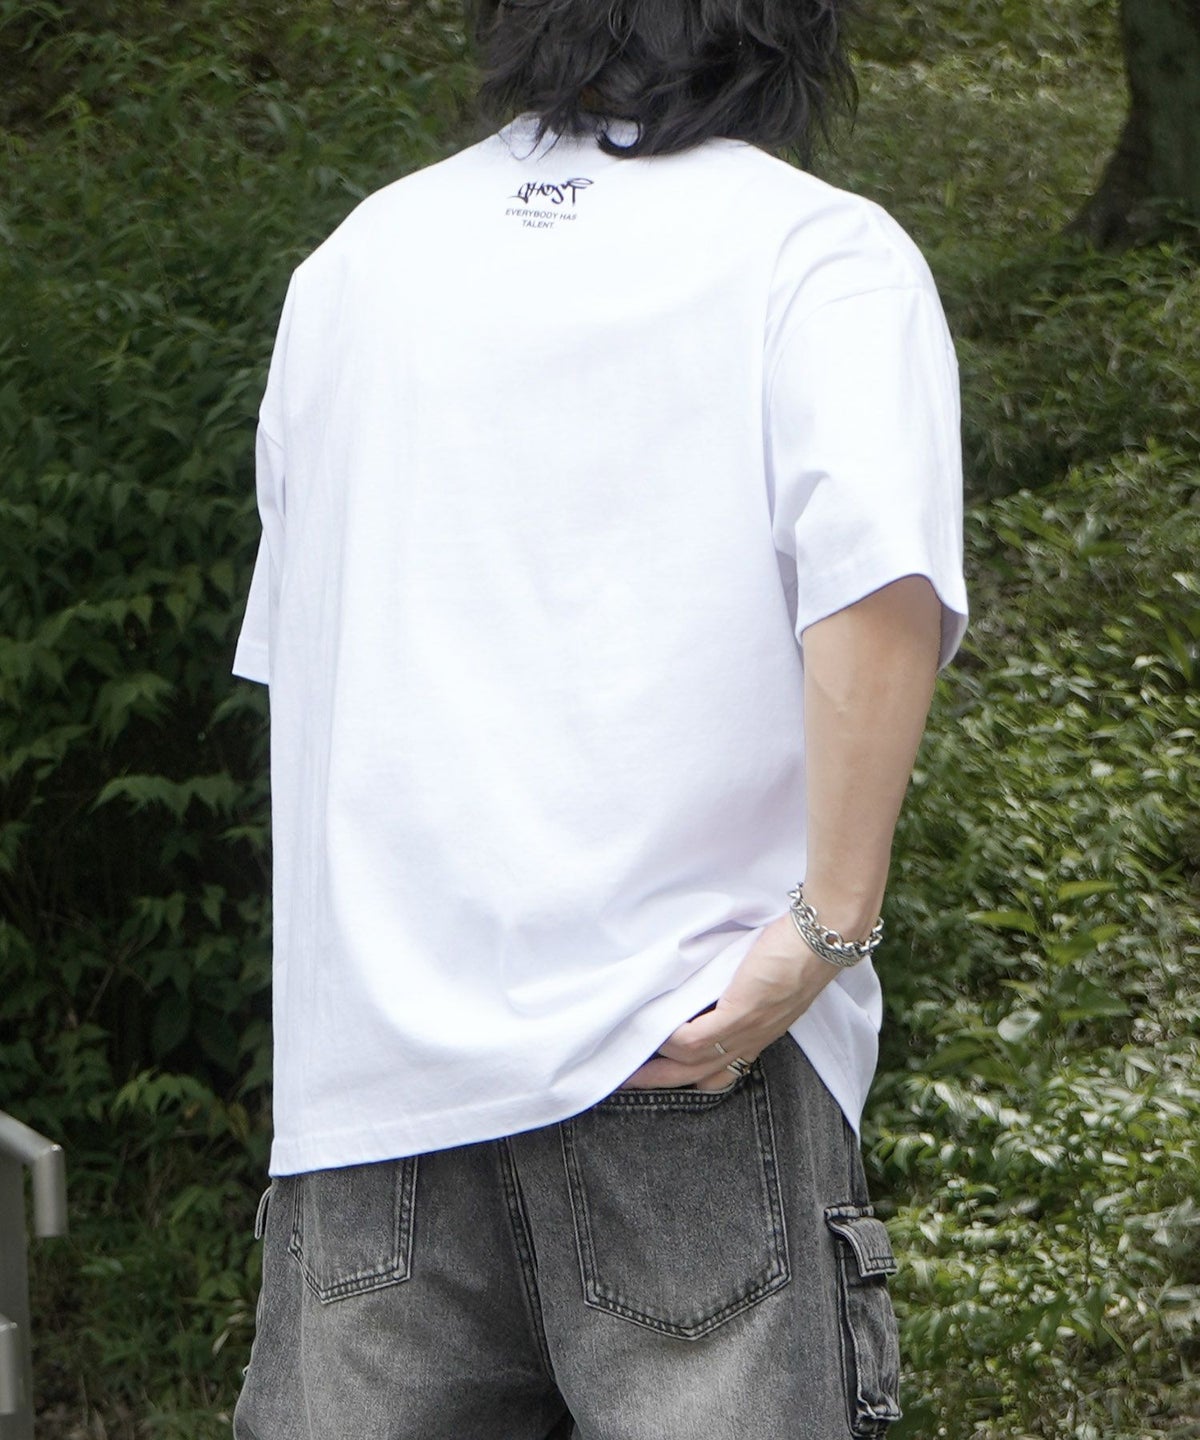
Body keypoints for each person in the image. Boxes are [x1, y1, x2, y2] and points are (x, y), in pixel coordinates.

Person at [230, 1, 968, 1435]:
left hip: (374, 1093)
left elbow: (314, 661)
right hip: (693, 1046)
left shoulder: (355, 267)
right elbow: (876, 586)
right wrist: (826, 929)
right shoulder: (817, 252)